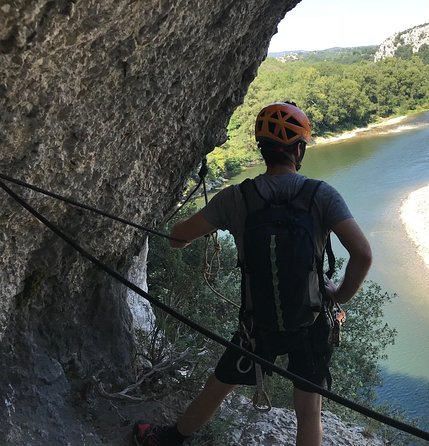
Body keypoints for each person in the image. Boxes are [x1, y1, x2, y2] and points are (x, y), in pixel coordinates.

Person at [133, 102, 372, 446]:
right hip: (311, 320)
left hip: (257, 325)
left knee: (219, 384)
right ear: (299, 149)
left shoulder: (235, 198)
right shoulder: (321, 196)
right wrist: (339, 294)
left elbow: (176, 237)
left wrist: (186, 238)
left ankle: (169, 439)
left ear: (262, 150)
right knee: (309, 410)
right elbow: (362, 254)